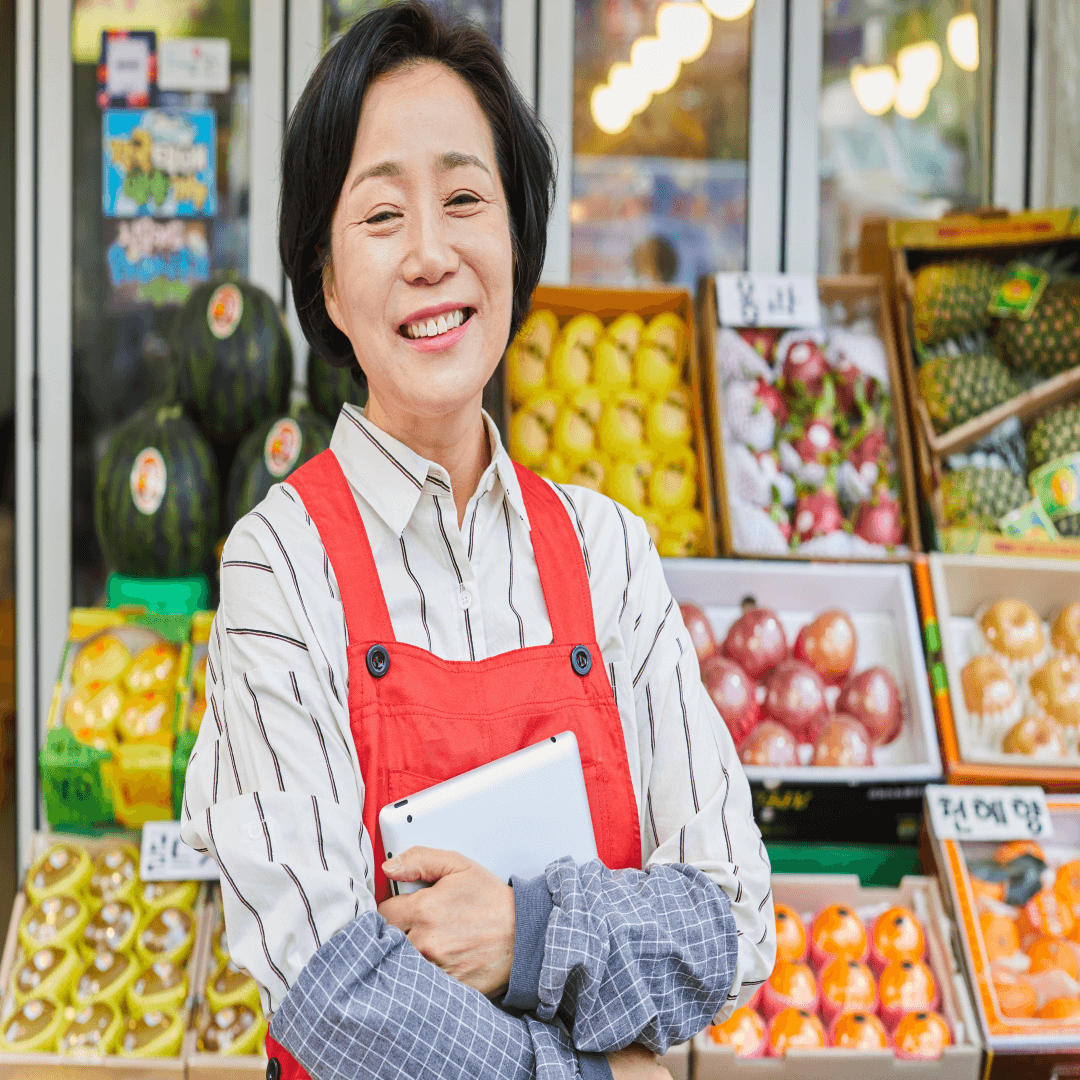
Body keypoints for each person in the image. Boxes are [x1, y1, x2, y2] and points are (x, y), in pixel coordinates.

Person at [181, 4, 774, 1078]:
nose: (430, 254)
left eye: (465, 199)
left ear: (518, 237)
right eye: (379, 217)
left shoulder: (609, 552)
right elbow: (328, 987)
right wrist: (585, 1069)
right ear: (325, 279)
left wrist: (528, 934)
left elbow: (730, 923)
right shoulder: (278, 566)